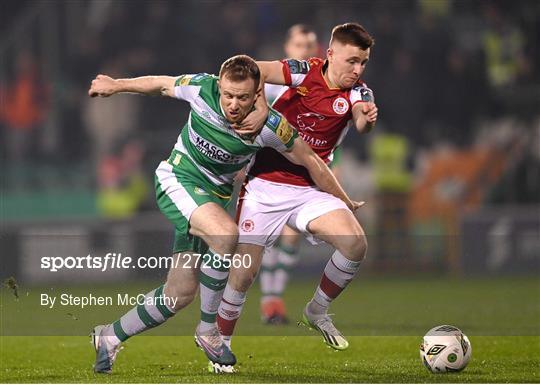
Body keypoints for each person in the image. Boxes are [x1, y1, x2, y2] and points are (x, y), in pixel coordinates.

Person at [87, 54, 362, 374]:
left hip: (211, 202)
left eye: (242, 97)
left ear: (256, 94)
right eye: (228, 95)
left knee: (179, 294)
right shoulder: (202, 89)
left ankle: (108, 336)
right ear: (219, 86)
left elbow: (310, 161)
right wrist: (116, 86)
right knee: (226, 234)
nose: (232, 104)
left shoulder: (270, 126)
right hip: (179, 180)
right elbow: (161, 85)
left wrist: (344, 199)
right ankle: (208, 331)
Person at [206, 23, 378, 366]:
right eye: (352, 61)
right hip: (265, 185)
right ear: (330, 54)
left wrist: (368, 119)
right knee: (243, 273)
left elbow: (361, 120)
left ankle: (316, 310)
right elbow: (255, 69)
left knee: (355, 243)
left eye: (363, 63)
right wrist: (250, 100)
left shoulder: (360, 93)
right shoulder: (303, 72)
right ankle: (219, 346)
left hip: (311, 188)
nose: (357, 70)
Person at [259, 24, 321, 325]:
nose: (305, 51)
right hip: (270, 167)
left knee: (292, 236)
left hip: (305, 167)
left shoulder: (326, 83)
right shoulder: (272, 85)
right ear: (287, 48)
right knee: (269, 237)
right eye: (299, 45)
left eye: (310, 45)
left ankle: (275, 300)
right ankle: (270, 303)